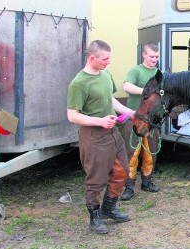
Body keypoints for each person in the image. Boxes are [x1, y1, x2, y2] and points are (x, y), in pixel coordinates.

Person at [67, 39, 135, 234]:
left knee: (122, 171)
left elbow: (110, 99)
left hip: (113, 134)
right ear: (92, 58)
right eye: (105, 59)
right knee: (96, 179)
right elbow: (72, 115)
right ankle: (94, 217)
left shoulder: (105, 75)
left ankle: (109, 208)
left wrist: (130, 112)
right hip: (94, 136)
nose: (109, 62)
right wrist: (100, 121)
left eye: (109, 58)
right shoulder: (78, 84)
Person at [120, 42, 161, 201]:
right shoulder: (135, 71)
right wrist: (146, 92)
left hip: (152, 120)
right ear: (144, 55)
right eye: (151, 56)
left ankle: (147, 181)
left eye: (156, 57)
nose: (154, 59)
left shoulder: (159, 73)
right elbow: (126, 86)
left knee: (150, 151)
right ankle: (129, 186)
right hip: (135, 118)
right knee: (132, 152)